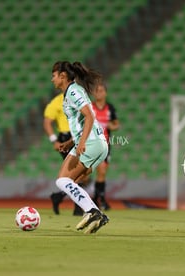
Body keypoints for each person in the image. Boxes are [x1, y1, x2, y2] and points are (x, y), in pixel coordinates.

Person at [51, 60, 109, 234]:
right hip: (98, 143)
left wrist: (81, 143)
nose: (52, 79)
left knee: (62, 180)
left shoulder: (73, 91)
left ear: (63, 76)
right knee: (73, 182)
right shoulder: (72, 91)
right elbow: (82, 120)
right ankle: (96, 213)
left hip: (90, 143)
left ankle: (92, 212)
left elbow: (89, 116)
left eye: (53, 76)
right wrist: (70, 143)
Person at [44, 89, 84, 216]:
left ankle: (58, 196)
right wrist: (54, 140)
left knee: (79, 172)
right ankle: (78, 207)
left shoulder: (80, 98)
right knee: (77, 171)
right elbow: (47, 122)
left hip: (79, 136)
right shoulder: (57, 101)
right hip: (66, 138)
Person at [91, 83, 120, 210]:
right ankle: (94, 199)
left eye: (101, 90)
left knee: (102, 171)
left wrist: (109, 126)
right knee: (85, 175)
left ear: (105, 93)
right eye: (97, 91)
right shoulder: (89, 107)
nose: (99, 93)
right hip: (90, 143)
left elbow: (116, 124)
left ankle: (100, 199)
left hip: (104, 144)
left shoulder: (110, 108)